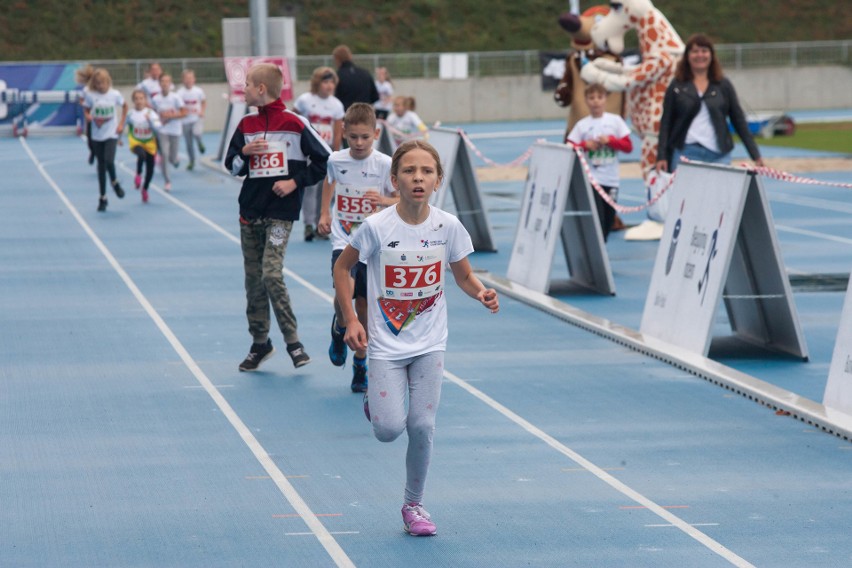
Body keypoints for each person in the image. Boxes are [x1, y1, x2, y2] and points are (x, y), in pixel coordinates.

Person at [332, 140, 499, 536]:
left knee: (422, 426)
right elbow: (342, 269)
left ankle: (414, 505)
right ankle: (376, 404)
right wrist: (350, 319)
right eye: (409, 171)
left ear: (438, 180)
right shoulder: (376, 227)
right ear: (395, 180)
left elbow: (462, 274)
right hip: (386, 346)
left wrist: (481, 292)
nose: (418, 178)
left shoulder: (447, 226)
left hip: (429, 343)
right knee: (389, 430)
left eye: (426, 171)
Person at [224, 63, 331, 372]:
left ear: (261, 89)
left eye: (246, 85)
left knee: (271, 273)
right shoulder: (246, 124)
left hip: (280, 216)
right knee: (253, 281)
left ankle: (293, 342)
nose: (242, 90)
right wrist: (244, 153)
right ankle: (260, 343)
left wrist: (294, 182)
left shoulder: (295, 123)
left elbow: (326, 159)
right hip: (250, 212)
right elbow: (230, 166)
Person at [316, 103, 398, 393]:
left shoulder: (386, 164)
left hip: (374, 244)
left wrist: (385, 201)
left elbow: (401, 200)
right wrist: (325, 213)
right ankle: (340, 329)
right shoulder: (336, 159)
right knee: (344, 293)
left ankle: (360, 365)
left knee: (364, 306)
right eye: (354, 137)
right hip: (345, 239)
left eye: (365, 137)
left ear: (375, 133)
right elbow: (329, 182)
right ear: (344, 133)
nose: (360, 143)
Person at [656, 33, 764, 174]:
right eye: (695, 51)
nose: (700, 55)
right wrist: (661, 156)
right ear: (687, 56)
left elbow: (739, 121)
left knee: (719, 196)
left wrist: (755, 154)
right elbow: (666, 123)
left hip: (719, 155)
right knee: (687, 197)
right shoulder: (677, 86)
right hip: (686, 152)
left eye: (704, 51)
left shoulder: (723, 85)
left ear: (711, 55)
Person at [566, 83, 633, 241]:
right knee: (597, 217)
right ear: (586, 101)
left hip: (611, 179)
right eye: (591, 98)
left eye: (599, 97)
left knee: (609, 218)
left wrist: (610, 141)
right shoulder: (582, 125)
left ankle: (601, 245)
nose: (596, 101)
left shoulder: (615, 121)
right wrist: (585, 146)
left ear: (605, 99)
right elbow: (569, 146)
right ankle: (596, 248)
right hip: (592, 180)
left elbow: (628, 146)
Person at [293, 66, 344, 241]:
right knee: (310, 188)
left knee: (325, 189)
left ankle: (319, 223)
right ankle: (308, 224)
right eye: (325, 81)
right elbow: (294, 120)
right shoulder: (305, 100)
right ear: (317, 83)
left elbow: (338, 131)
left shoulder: (336, 105)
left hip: (327, 151)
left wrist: (335, 153)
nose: (329, 86)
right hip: (309, 151)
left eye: (331, 82)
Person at [82, 68, 127, 212]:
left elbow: (125, 106)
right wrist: (88, 116)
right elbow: (86, 109)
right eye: (97, 83)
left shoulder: (115, 94)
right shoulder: (91, 95)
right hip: (97, 135)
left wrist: (121, 124)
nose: (100, 86)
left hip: (111, 134)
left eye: (103, 83)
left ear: (108, 81)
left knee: (109, 160)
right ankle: (103, 197)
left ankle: (114, 182)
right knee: (101, 166)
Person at [126, 89, 162, 204]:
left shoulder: (151, 113)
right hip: (136, 141)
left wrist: (150, 121)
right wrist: (117, 138)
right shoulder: (130, 114)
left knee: (150, 171)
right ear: (133, 101)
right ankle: (138, 174)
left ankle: (145, 189)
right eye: (136, 99)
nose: (139, 101)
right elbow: (123, 124)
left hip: (149, 143)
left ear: (145, 100)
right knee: (141, 155)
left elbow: (158, 128)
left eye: (141, 98)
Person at [151, 73, 186, 192]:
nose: (165, 84)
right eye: (163, 81)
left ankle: (175, 160)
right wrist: (156, 121)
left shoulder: (175, 97)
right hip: (162, 130)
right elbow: (153, 114)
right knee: (164, 154)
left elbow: (183, 113)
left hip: (175, 130)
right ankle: (167, 181)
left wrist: (171, 115)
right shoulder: (156, 99)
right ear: (159, 83)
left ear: (170, 84)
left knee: (172, 157)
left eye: (167, 81)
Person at [332, 44, 379, 111]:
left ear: (337, 59)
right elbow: (375, 97)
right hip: (365, 115)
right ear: (350, 56)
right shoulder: (365, 73)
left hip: (346, 114)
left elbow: (334, 99)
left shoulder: (337, 76)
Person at [177, 69, 207, 171]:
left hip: (196, 118)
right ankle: (192, 160)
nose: (189, 80)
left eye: (191, 78)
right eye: (187, 78)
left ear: (194, 79)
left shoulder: (198, 91)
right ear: (183, 80)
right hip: (185, 121)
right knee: (189, 143)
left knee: (197, 133)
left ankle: (200, 143)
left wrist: (202, 111)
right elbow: (178, 106)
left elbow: (203, 102)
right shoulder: (180, 93)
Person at [74, 64, 96, 165]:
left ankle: (101, 160)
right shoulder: (86, 90)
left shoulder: (101, 88)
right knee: (90, 140)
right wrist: (87, 105)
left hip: (102, 117)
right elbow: (81, 101)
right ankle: (92, 151)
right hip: (91, 117)